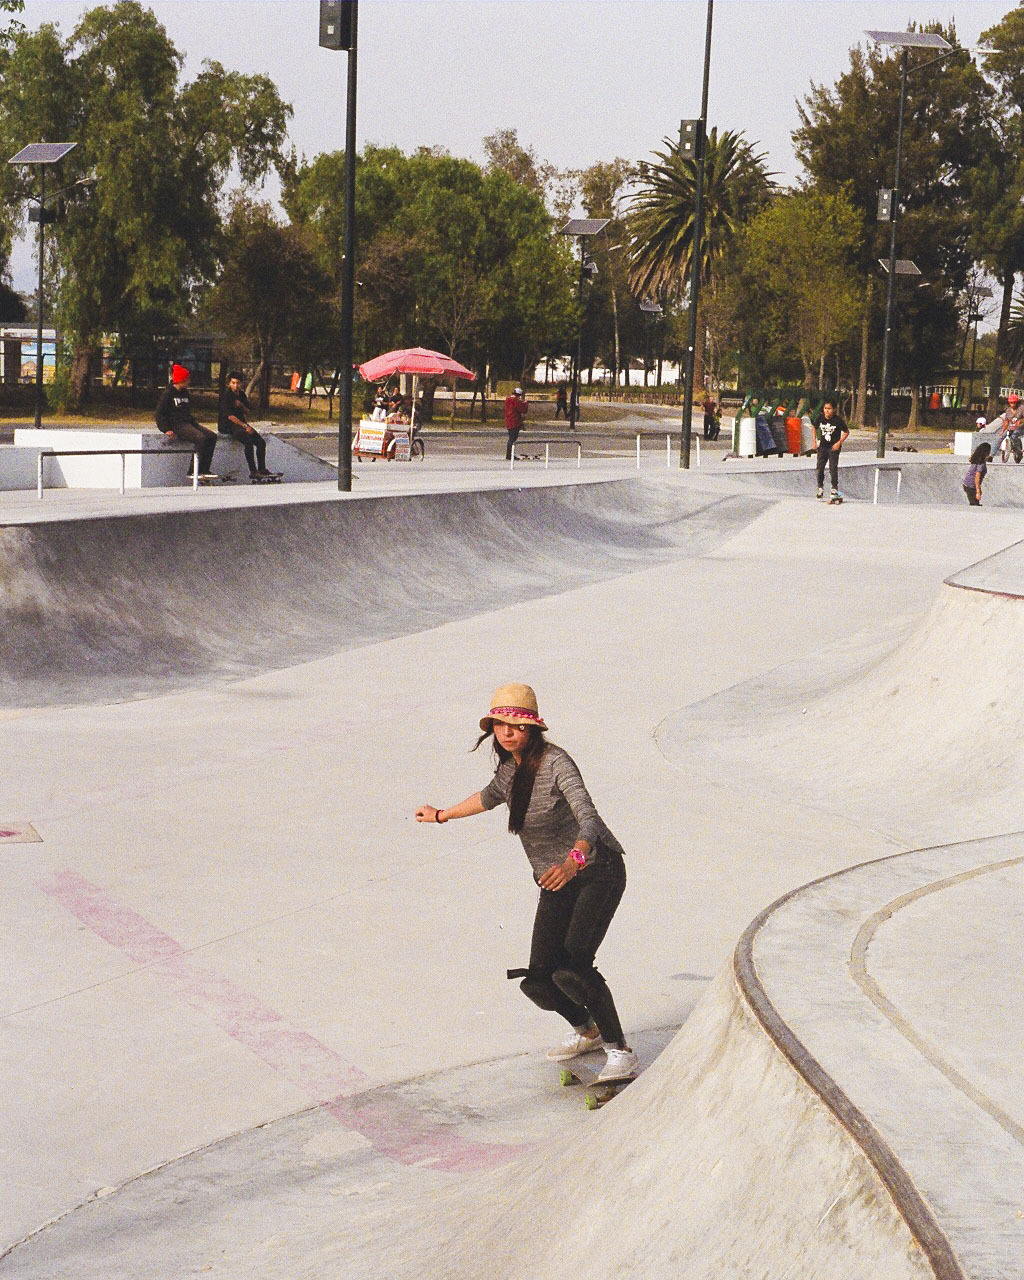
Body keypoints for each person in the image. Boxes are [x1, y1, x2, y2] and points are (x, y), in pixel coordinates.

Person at [415, 683, 636, 1084]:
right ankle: (587, 1032)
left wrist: (574, 860)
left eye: (515, 725)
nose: (507, 732)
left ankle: (620, 1051)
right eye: (500, 724)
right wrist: (441, 814)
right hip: (555, 881)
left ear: (533, 728)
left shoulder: (557, 763)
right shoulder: (511, 770)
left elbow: (588, 817)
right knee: (538, 980)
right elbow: (487, 797)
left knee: (573, 970)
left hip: (597, 872)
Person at [155, 364, 218, 480]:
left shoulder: (185, 392)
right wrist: (166, 428)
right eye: (187, 379)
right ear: (181, 380)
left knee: (212, 436)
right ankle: (193, 471)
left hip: (188, 422)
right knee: (200, 438)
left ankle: (204, 469)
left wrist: (193, 423)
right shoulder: (168, 393)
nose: (189, 381)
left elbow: (186, 410)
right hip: (177, 424)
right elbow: (159, 413)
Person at [218, 372, 273, 479]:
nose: (235, 386)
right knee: (248, 441)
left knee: (260, 442)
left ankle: (262, 469)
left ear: (241, 384)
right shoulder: (227, 396)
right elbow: (230, 416)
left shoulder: (242, 395)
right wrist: (245, 426)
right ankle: (253, 471)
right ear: (229, 383)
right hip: (228, 425)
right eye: (233, 383)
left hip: (241, 423)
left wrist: (241, 405)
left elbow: (248, 412)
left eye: (238, 383)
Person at [815, 396, 849, 503]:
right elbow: (813, 427)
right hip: (822, 447)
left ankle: (834, 489)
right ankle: (820, 487)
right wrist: (815, 440)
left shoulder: (838, 420)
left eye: (829, 409)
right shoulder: (820, 418)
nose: (827, 411)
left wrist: (839, 443)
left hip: (833, 447)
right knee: (820, 467)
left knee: (832, 468)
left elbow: (847, 432)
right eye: (825, 408)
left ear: (834, 409)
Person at [995, 392, 1024, 463]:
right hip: (1011, 428)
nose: (1013, 404)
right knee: (1000, 437)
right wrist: (1002, 430)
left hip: (1021, 428)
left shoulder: (1022, 408)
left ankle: (1019, 452)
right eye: (1011, 403)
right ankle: (991, 455)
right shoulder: (1008, 410)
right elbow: (1006, 422)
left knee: (1014, 436)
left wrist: (1021, 421)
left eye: (1014, 403)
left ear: (1017, 402)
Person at [963, 442, 991, 506]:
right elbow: (977, 478)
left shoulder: (975, 460)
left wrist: (978, 489)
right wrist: (978, 491)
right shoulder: (981, 463)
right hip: (971, 486)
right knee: (975, 505)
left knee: (975, 504)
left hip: (967, 484)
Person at [504, 386, 528, 460]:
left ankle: (509, 454)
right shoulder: (515, 401)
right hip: (514, 421)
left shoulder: (508, 400)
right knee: (512, 439)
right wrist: (526, 403)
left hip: (508, 421)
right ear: (519, 395)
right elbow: (523, 410)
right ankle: (509, 455)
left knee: (511, 438)